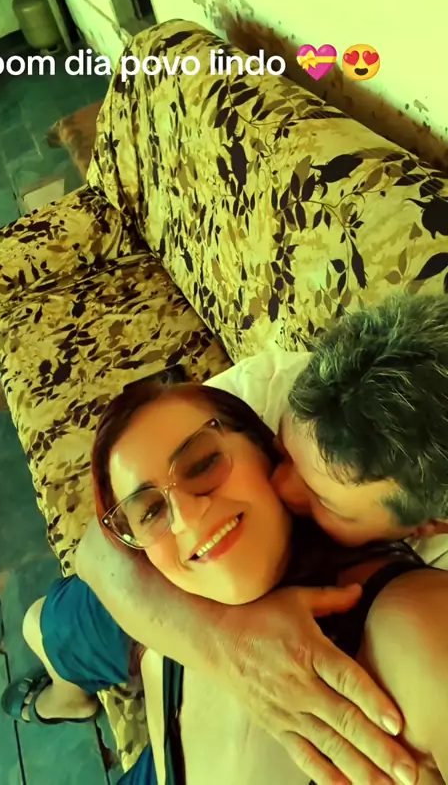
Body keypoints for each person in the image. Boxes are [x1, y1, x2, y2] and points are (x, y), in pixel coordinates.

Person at [76, 293, 448, 784]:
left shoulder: (415, 619)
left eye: (203, 465)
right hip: (121, 620)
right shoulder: (278, 386)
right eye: (282, 453)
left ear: (427, 527)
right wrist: (226, 642)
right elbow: (93, 548)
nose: (284, 486)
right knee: (46, 627)